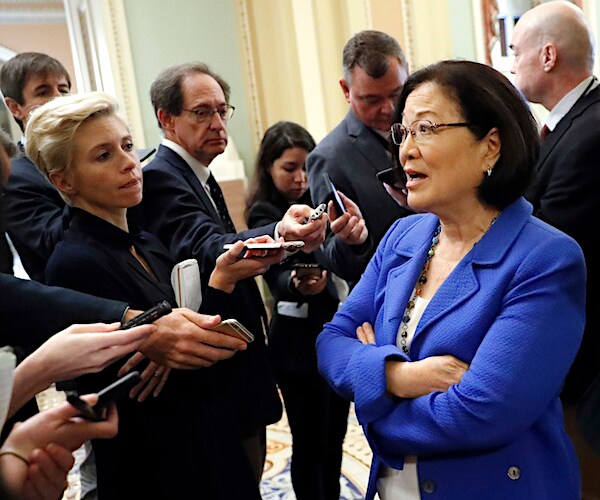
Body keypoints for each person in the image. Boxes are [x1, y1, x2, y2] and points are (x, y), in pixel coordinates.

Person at [316, 59, 586, 500]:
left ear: (490, 146)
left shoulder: (545, 259)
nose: (405, 150)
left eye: (426, 128)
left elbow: (480, 413)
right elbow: (331, 341)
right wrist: (398, 377)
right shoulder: (405, 235)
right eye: (402, 133)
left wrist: (371, 407)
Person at [25, 90, 283, 499]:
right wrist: (165, 344)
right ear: (64, 180)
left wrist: (221, 279)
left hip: (206, 438)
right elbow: (135, 390)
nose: (130, 162)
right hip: (157, 466)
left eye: (127, 146)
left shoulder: (146, 242)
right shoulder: (74, 262)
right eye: (104, 155)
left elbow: (196, 348)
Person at [134, 62, 328, 481]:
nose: (218, 123)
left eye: (223, 111)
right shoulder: (162, 177)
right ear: (167, 119)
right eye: (202, 112)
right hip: (213, 371)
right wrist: (279, 231)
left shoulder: (197, 174)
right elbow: (206, 246)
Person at [509, 2, 600, 496]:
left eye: (515, 50)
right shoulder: (569, 126)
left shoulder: (590, 132)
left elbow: (546, 243)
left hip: (585, 361)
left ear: (547, 55)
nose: (510, 62)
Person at [245, 121, 356, 500]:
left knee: (335, 438)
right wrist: (297, 282)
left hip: (336, 338)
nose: (298, 178)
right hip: (294, 349)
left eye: (303, 167)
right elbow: (272, 271)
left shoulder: (322, 203)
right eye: (287, 168)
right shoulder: (265, 210)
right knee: (309, 442)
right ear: (269, 169)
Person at [306, 30, 413, 286]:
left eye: (396, 93)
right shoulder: (329, 158)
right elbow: (331, 257)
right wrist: (355, 242)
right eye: (371, 99)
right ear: (346, 90)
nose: (388, 108)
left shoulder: (430, 128)